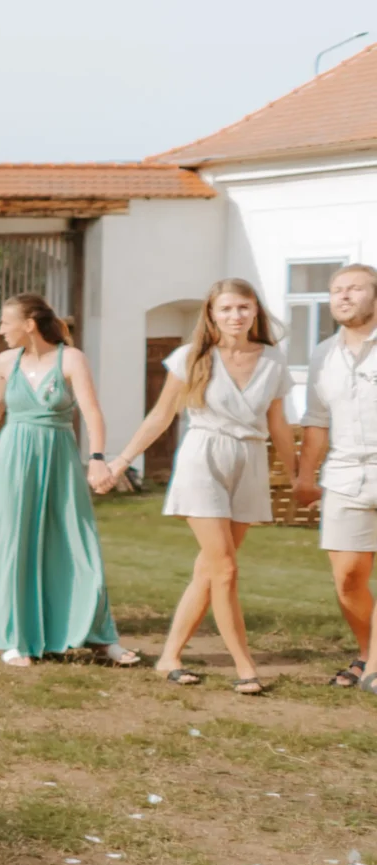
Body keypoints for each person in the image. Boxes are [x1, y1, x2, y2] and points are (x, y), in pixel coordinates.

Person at [98, 278, 294, 694]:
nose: (235, 316)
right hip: (203, 458)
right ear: (211, 314)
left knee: (209, 570)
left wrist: (299, 475)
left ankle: (169, 656)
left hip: (250, 462)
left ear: (255, 311)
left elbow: (278, 425)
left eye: (243, 307)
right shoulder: (191, 357)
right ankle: (245, 667)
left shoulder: (274, 362)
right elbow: (160, 417)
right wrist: (120, 462)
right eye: (226, 309)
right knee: (224, 568)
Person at [0, 294, 139, 668]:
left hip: (58, 458)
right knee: (14, 542)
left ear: (30, 324)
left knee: (75, 542)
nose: (1, 330)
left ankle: (102, 638)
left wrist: (98, 460)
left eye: (6, 323)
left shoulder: (71, 359)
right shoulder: (6, 362)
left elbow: (91, 412)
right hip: (13, 459)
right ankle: (17, 637)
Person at [295, 263, 377, 696]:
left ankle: (374, 668)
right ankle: (367, 654)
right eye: (337, 290)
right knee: (348, 580)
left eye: (355, 289)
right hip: (345, 477)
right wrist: (306, 477)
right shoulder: (322, 354)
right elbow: (316, 421)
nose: (344, 296)